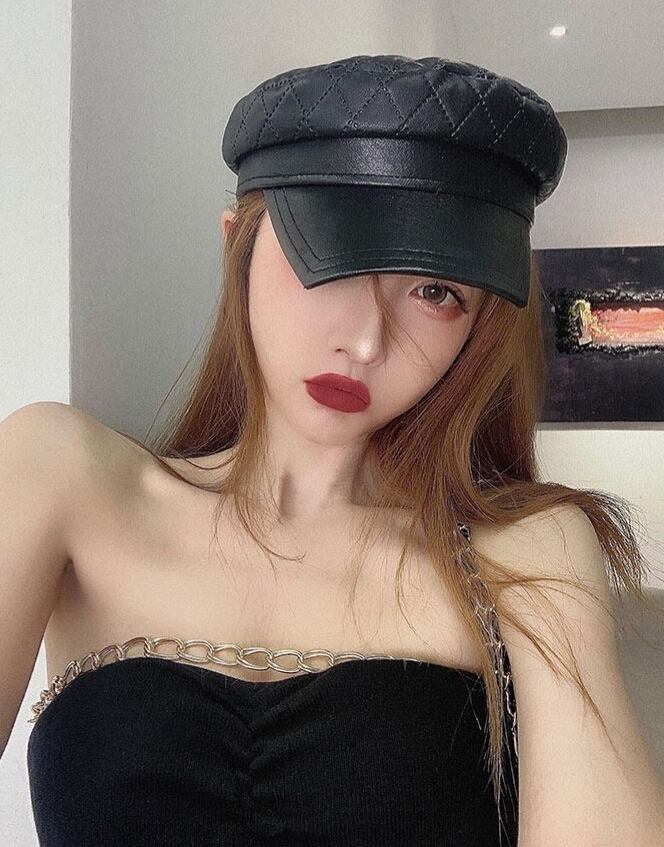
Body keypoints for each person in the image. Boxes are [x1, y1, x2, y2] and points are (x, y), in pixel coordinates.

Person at [3, 54, 663, 846]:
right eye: (334, 256)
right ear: (237, 247)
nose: (366, 339)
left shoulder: (525, 553)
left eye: (436, 292)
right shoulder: (61, 475)